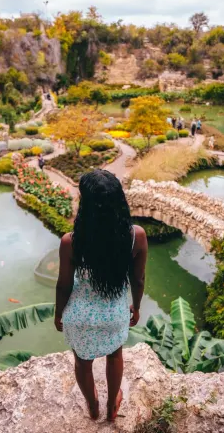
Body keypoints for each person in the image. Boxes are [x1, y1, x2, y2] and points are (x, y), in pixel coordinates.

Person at [55, 170, 147, 421]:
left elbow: (63, 286)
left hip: (79, 315)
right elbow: (138, 280)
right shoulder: (135, 236)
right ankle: (112, 407)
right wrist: (136, 307)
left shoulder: (71, 241)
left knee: (82, 363)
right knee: (115, 355)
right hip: (114, 314)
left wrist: (58, 314)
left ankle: (93, 406)